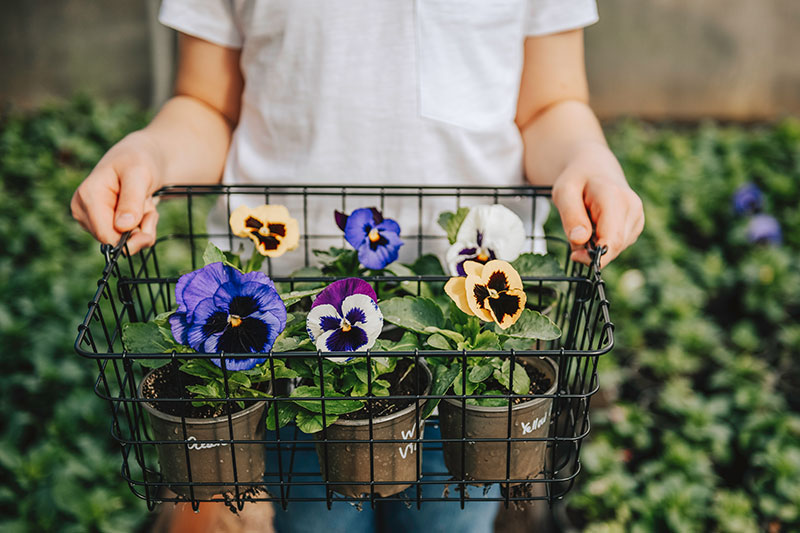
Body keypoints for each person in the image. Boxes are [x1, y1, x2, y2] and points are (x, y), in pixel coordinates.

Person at [71, 1, 644, 532]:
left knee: (448, 516)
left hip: (465, 338)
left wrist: (585, 156)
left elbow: (549, 104)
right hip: (291, 341)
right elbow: (205, 102)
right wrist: (151, 154)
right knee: (312, 515)